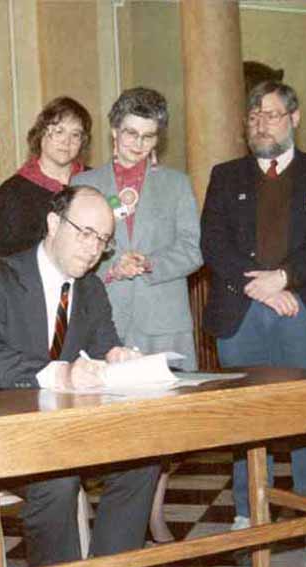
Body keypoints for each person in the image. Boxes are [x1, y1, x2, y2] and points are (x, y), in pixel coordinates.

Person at [0, 185, 159, 567]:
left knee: (143, 457)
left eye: (103, 240)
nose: (93, 248)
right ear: (52, 224)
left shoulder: (92, 289)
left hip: (62, 427)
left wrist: (119, 357)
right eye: (85, 233)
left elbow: (103, 345)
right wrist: (58, 373)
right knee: (57, 480)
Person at [201, 80, 306, 551]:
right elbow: (213, 243)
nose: (260, 124)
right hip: (242, 310)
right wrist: (258, 288)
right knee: (246, 416)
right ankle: (247, 510)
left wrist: (283, 279)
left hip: (305, 307)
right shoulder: (226, 175)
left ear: (295, 118)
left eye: (271, 114)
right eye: (253, 116)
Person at [73, 87, 202, 543]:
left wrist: (150, 263)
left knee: (163, 432)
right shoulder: (85, 183)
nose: (138, 144)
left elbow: (193, 248)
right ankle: (112, 522)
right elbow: (71, 253)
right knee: (106, 428)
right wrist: (111, 266)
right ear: (113, 131)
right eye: (131, 133)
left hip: (162, 318)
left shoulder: (176, 184)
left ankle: (154, 513)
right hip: (105, 318)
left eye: (149, 136)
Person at [0, 96, 91, 258]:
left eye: (75, 135)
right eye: (59, 131)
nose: (67, 141)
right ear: (41, 134)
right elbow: (3, 259)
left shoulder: (94, 183)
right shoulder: (13, 192)